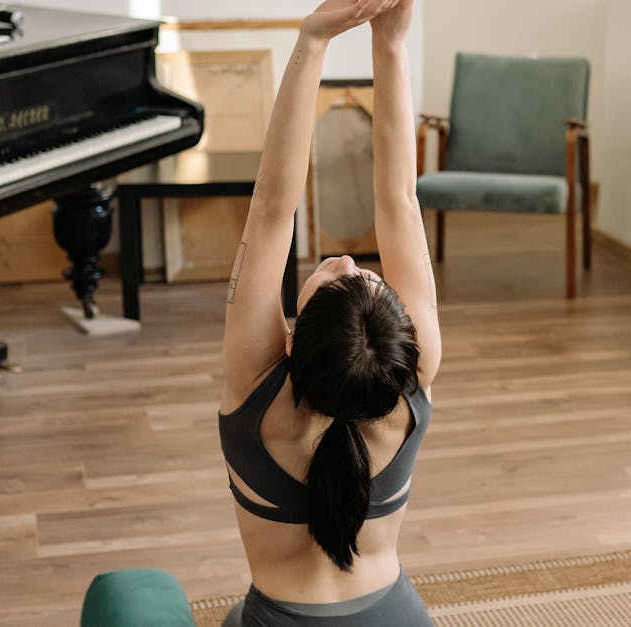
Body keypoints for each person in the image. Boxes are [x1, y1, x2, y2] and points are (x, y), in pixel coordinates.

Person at [216, 0, 439, 624]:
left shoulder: (257, 389)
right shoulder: (408, 384)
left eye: (340, 279)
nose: (347, 260)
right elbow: (399, 199)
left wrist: (313, 40)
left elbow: (270, 211)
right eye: (365, 275)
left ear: (291, 341)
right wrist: (390, 45)